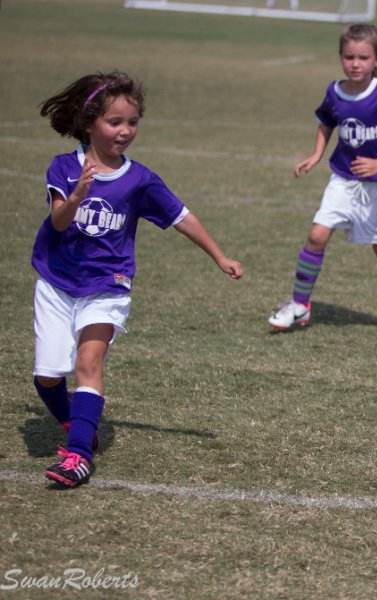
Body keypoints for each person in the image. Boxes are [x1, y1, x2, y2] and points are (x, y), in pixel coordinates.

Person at [32, 71, 244, 488]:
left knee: (88, 363)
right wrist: (76, 197)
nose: (125, 131)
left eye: (132, 122)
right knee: (47, 377)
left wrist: (219, 255)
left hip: (108, 286)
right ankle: (77, 426)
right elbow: (57, 223)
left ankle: (77, 456)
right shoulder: (62, 168)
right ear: (90, 122)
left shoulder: (140, 179)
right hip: (57, 284)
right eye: (115, 122)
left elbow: (181, 217)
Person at [268, 23, 377, 332]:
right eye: (349, 57)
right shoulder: (334, 92)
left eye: (363, 57)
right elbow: (326, 122)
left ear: (376, 59)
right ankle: (300, 305)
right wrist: (316, 154)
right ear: (340, 57)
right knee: (317, 235)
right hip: (343, 181)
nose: (355, 64)